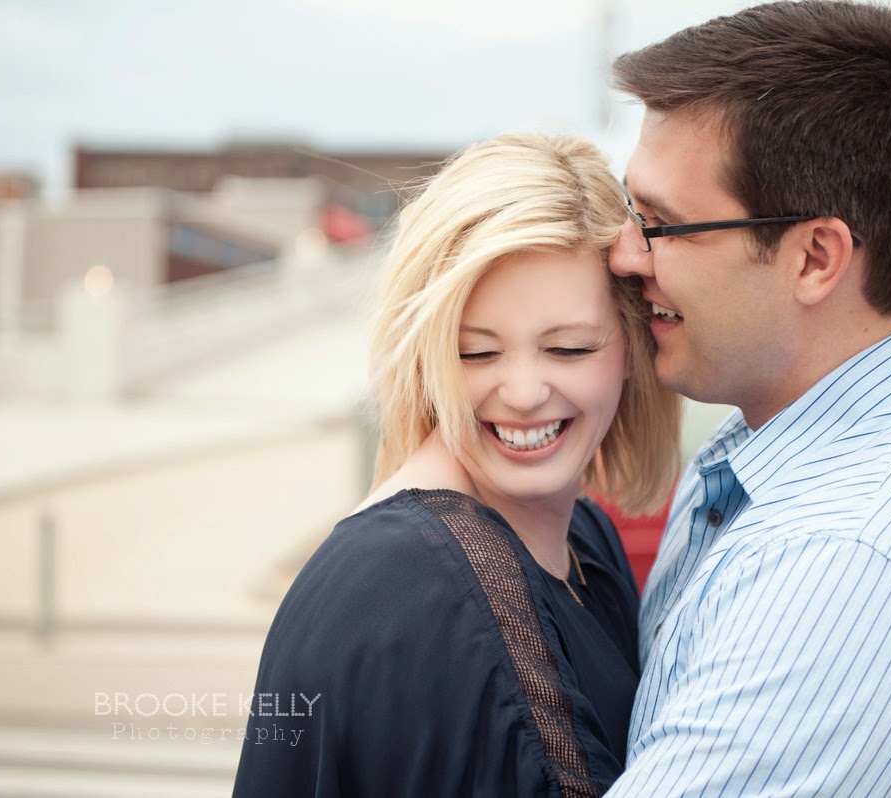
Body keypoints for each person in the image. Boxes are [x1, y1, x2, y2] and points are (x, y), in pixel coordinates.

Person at [602, 2, 891, 796]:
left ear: (816, 257)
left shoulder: (846, 568)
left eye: (661, 225)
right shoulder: (785, 443)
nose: (625, 255)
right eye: (630, 210)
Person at [231, 132, 680, 797]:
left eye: (568, 349)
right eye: (475, 352)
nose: (523, 392)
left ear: (632, 349)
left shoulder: (586, 540)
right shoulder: (418, 591)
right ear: (425, 358)